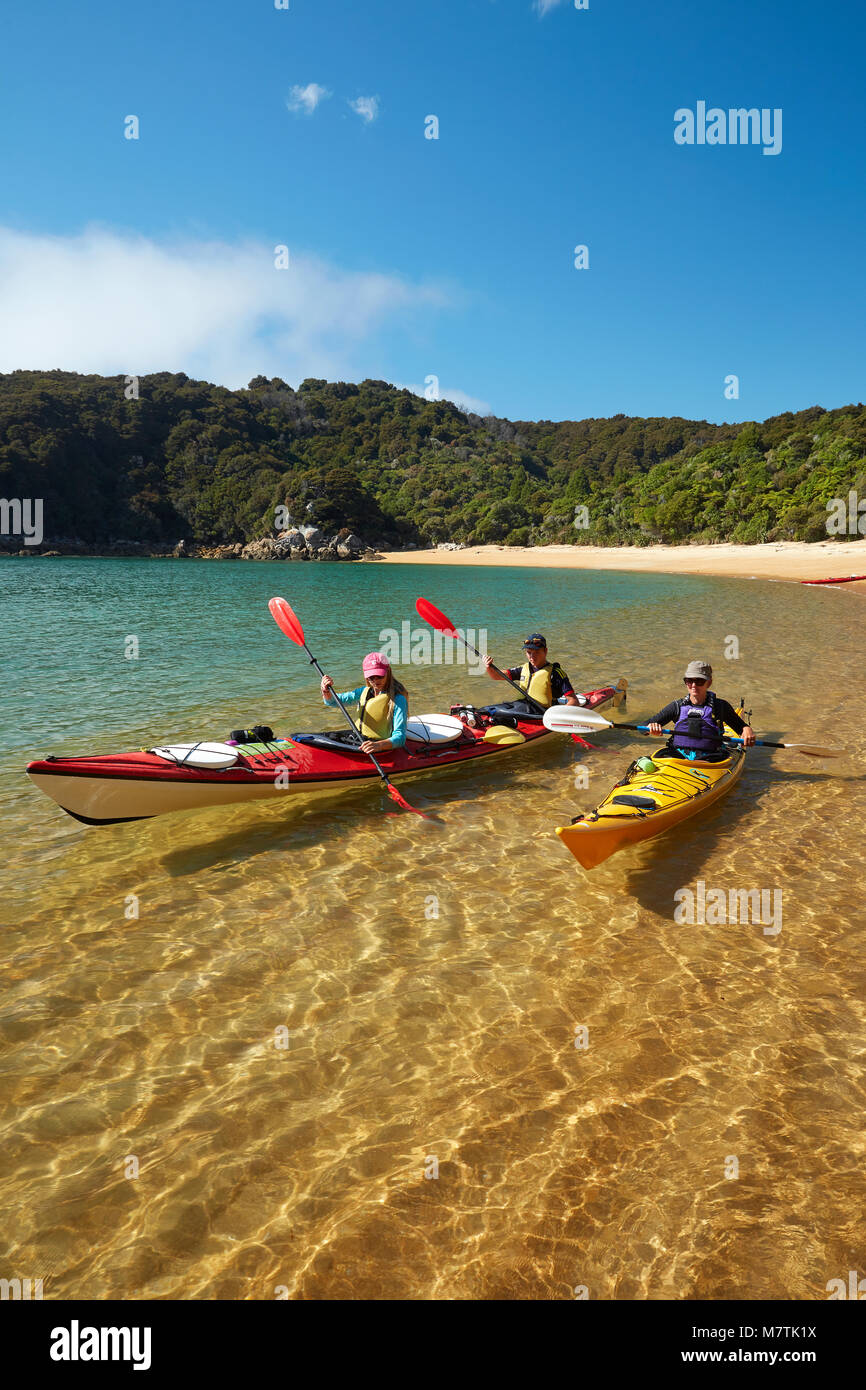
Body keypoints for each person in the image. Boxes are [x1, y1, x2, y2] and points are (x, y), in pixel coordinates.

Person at [646, 661, 755, 761]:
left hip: (711, 758)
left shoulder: (720, 706)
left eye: (699, 681)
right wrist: (650, 728)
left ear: (709, 682)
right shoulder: (676, 706)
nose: (693, 685)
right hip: (678, 756)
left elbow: (742, 728)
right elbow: (644, 726)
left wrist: (747, 729)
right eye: (689, 681)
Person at [320, 652, 408, 754]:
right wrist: (326, 691)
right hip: (359, 737)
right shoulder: (364, 691)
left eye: (379, 676)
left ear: (388, 671)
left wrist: (378, 745)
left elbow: (400, 738)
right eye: (371, 677)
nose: (375, 680)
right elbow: (333, 702)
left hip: (379, 746)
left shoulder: (398, 699)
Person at [484, 633, 579, 710]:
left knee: (498, 711)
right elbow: (497, 676)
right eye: (529, 652)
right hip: (522, 707)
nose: (532, 657)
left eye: (536, 652)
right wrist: (488, 667)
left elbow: (574, 701)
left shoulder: (556, 673)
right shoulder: (523, 669)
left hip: (542, 712)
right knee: (492, 709)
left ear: (545, 651)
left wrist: (556, 716)